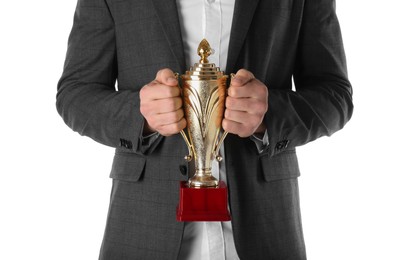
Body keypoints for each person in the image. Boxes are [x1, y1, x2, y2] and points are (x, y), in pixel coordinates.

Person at [56, 0, 353, 259]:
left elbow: (336, 97)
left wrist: (269, 114)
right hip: (142, 230)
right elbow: (75, 94)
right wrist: (139, 114)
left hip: (266, 229)